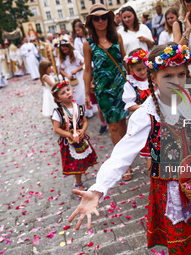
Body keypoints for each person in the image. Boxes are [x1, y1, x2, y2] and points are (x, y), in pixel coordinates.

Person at [68, 43, 191, 255]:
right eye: (168, 76)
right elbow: (121, 156)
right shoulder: (146, 114)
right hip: (171, 189)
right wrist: (98, 189)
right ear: (153, 78)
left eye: (181, 74)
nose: (177, 82)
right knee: (181, 248)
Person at [83, 3, 129, 147]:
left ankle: (125, 157)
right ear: (91, 22)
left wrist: (136, 80)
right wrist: (86, 94)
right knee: (113, 126)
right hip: (103, 91)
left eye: (104, 17)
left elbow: (125, 60)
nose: (101, 21)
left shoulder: (117, 37)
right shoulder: (88, 43)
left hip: (121, 86)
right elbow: (87, 70)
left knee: (122, 122)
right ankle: (122, 163)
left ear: (108, 19)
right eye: (96, 19)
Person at [51, 81, 97, 191]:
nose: (67, 93)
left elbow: (84, 122)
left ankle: (79, 179)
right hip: (69, 143)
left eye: (68, 90)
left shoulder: (79, 107)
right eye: (63, 93)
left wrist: (82, 130)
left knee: (82, 161)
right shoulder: (58, 112)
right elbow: (56, 128)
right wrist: (69, 134)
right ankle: (78, 183)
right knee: (75, 163)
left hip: (80, 139)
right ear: (58, 99)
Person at [122, 48, 151, 178]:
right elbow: (129, 105)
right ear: (131, 69)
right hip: (145, 122)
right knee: (151, 153)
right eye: (139, 70)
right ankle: (155, 180)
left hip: (162, 118)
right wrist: (144, 108)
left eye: (145, 68)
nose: (143, 71)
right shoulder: (131, 84)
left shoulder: (154, 76)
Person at [58, 40, 94, 118]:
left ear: (69, 47)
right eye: (63, 50)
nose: (65, 51)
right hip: (69, 77)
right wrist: (67, 76)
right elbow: (61, 69)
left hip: (78, 75)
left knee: (81, 93)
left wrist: (76, 70)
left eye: (66, 49)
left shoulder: (75, 53)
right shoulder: (62, 57)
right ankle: (78, 113)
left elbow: (83, 64)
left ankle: (86, 112)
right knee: (72, 95)